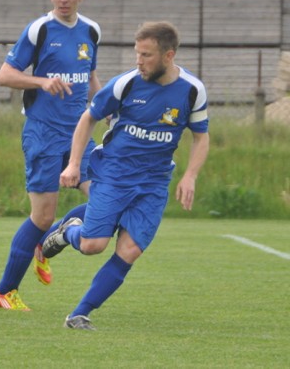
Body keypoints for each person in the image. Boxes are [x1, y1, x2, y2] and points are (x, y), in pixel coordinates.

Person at [42, 21, 210, 330]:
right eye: (137, 53)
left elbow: (201, 136)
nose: (139, 61)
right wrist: (74, 164)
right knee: (93, 245)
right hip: (113, 173)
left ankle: (80, 313)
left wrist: (190, 176)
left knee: (130, 250)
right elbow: (88, 118)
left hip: (154, 182)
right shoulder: (126, 84)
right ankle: (68, 231)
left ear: (168, 55)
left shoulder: (192, 91)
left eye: (146, 55)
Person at [0, 0, 102, 310]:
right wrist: (41, 81)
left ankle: (53, 237)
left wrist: (105, 110)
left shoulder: (91, 31)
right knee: (40, 216)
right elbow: (5, 75)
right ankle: (5, 290)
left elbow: (90, 77)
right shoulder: (39, 29)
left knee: (105, 197)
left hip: (79, 136)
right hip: (42, 133)